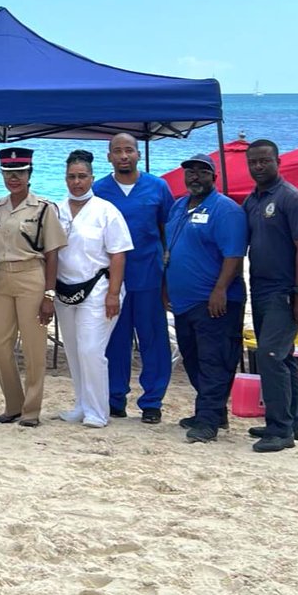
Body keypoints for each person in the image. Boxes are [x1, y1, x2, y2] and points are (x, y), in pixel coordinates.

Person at [0, 147, 67, 428]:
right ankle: (12, 405)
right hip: (2, 279)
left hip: (32, 277)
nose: (14, 178)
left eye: (19, 173)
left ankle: (31, 410)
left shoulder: (43, 208)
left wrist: (49, 295)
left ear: (30, 174)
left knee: (33, 346)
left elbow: (52, 253)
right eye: (8, 173)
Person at [165, 153, 247, 444]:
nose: (195, 177)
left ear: (214, 177)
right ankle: (212, 412)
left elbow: (234, 255)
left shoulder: (226, 210)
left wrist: (220, 290)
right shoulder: (178, 206)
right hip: (184, 302)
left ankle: (208, 422)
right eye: (190, 172)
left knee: (215, 361)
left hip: (215, 300)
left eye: (202, 172)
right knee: (193, 359)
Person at [92, 133, 174, 423]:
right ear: (109, 157)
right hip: (111, 280)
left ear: (138, 154)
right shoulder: (98, 189)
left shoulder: (158, 187)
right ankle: (115, 398)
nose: (123, 155)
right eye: (117, 151)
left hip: (149, 277)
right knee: (115, 340)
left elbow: (169, 232)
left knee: (153, 340)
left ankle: (152, 401)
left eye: (129, 150)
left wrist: (168, 275)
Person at [243, 139, 298, 452]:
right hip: (261, 286)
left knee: (270, 356)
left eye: (265, 161)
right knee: (283, 356)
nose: (259, 167)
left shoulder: (292, 198)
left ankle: (279, 430)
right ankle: (291, 420)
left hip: (289, 288)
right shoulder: (251, 200)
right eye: (254, 162)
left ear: (278, 162)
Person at [54, 150, 133, 428]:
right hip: (65, 291)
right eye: (71, 177)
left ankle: (98, 411)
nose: (77, 182)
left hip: (98, 290)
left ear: (92, 178)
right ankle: (81, 404)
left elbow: (118, 255)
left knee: (91, 350)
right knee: (74, 351)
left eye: (82, 176)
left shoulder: (106, 211)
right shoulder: (57, 210)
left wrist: (113, 293)